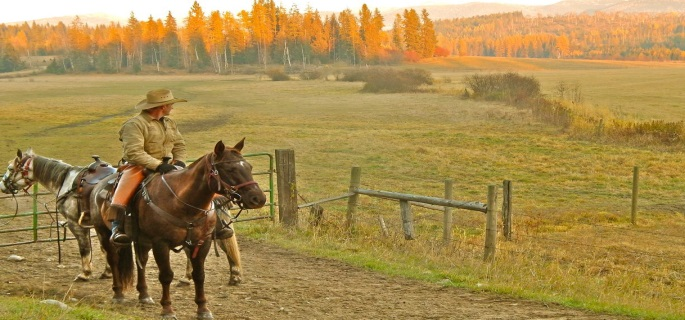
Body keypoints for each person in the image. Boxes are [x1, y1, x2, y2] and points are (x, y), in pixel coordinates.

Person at [106, 89, 233, 245]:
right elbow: (134, 152)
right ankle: (117, 228)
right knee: (123, 194)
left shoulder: (169, 123)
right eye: (170, 104)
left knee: (203, 186)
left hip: (168, 166)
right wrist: (158, 165)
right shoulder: (135, 125)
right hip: (139, 166)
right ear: (162, 106)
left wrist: (179, 161)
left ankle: (217, 223)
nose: (172, 107)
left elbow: (179, 144)